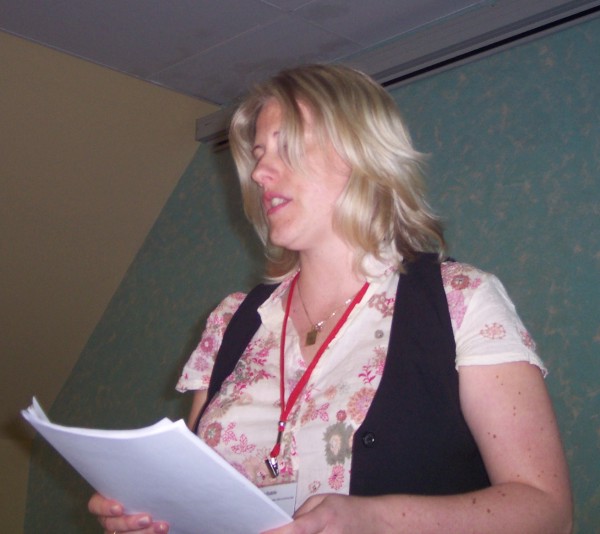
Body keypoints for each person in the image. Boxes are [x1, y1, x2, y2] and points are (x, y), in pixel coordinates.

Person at [88, 64, 572, 533]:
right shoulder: (232, 321)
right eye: (258, 154)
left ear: (361, 153)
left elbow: (548, 511)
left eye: (287, 147)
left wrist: (377, 521)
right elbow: (195, 503)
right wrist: (155, 520)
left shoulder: (460, 300)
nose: (259, 173)